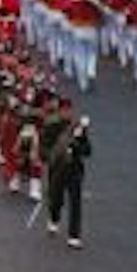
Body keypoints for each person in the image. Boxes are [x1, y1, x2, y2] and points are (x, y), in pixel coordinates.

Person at [45, 99, 92, 248]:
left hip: (75, 170)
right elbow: (45, 146)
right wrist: (51, 157)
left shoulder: (78, 128)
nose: (67, 113)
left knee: (76, 203)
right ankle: (54, 219)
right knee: (56, 198)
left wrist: (76, 145)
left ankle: (74, 235)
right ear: (59, 111)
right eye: (64, 110)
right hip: (57, 168)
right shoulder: (52, 126)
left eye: (69, 110)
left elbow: (87, 151)